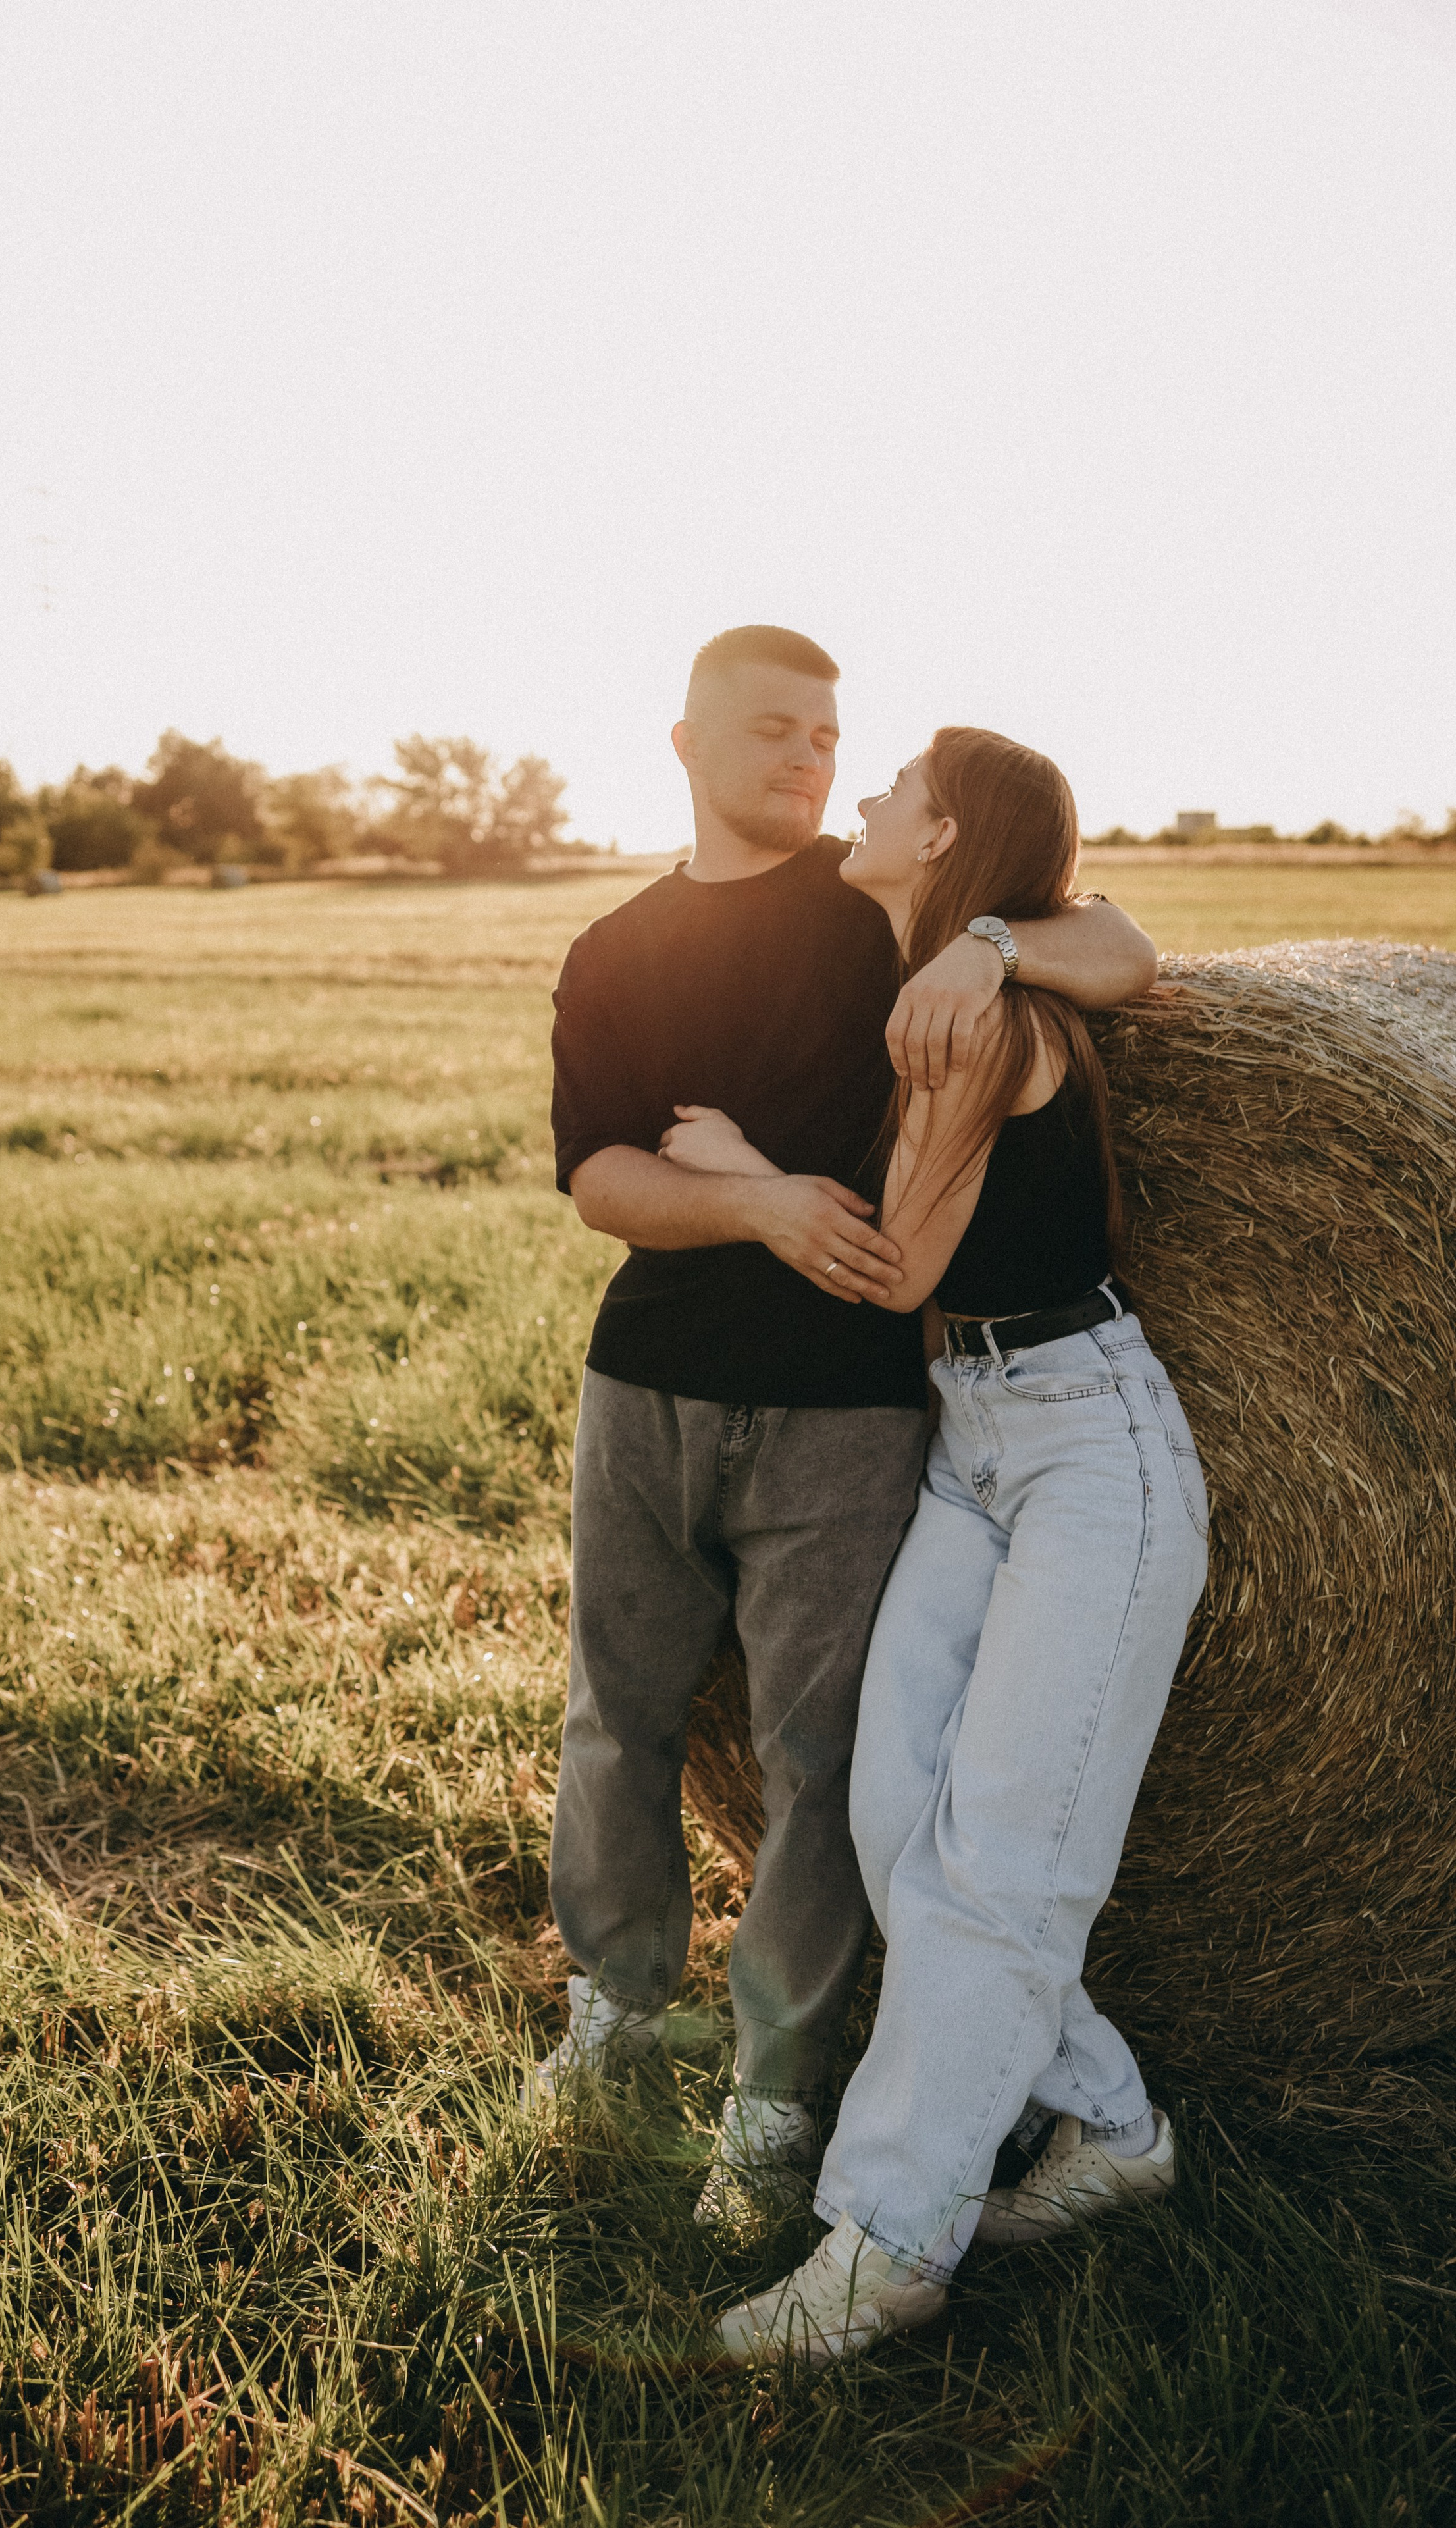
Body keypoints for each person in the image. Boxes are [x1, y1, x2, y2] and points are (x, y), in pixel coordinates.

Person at [534, 631, 1160, 2226]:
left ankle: (772, 2095)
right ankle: (610, 2009)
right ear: (684, 743)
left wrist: (990, 949)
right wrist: (757, 1205)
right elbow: (600, 1174)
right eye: (773, 731)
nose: (812, 761)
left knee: (817, 1764)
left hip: (851, 1414)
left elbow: (1120, 943)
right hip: (645, 1380)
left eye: (828, 736)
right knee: (617, 1716)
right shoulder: (614, 946)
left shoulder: (893, 906)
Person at [663, 728, 1208, 2361]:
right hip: (974, 1443)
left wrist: (739, 1173)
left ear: (947, 831)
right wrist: (980, 938)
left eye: (894, 782)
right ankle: (1111, 2125)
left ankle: (888, 2242)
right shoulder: (940, 978)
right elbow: (1104, 934)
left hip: (1085, 1448)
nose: (862, 794)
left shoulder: (980, 1015)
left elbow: (894, 1270)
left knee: (998, 1862)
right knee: (895, 1810)